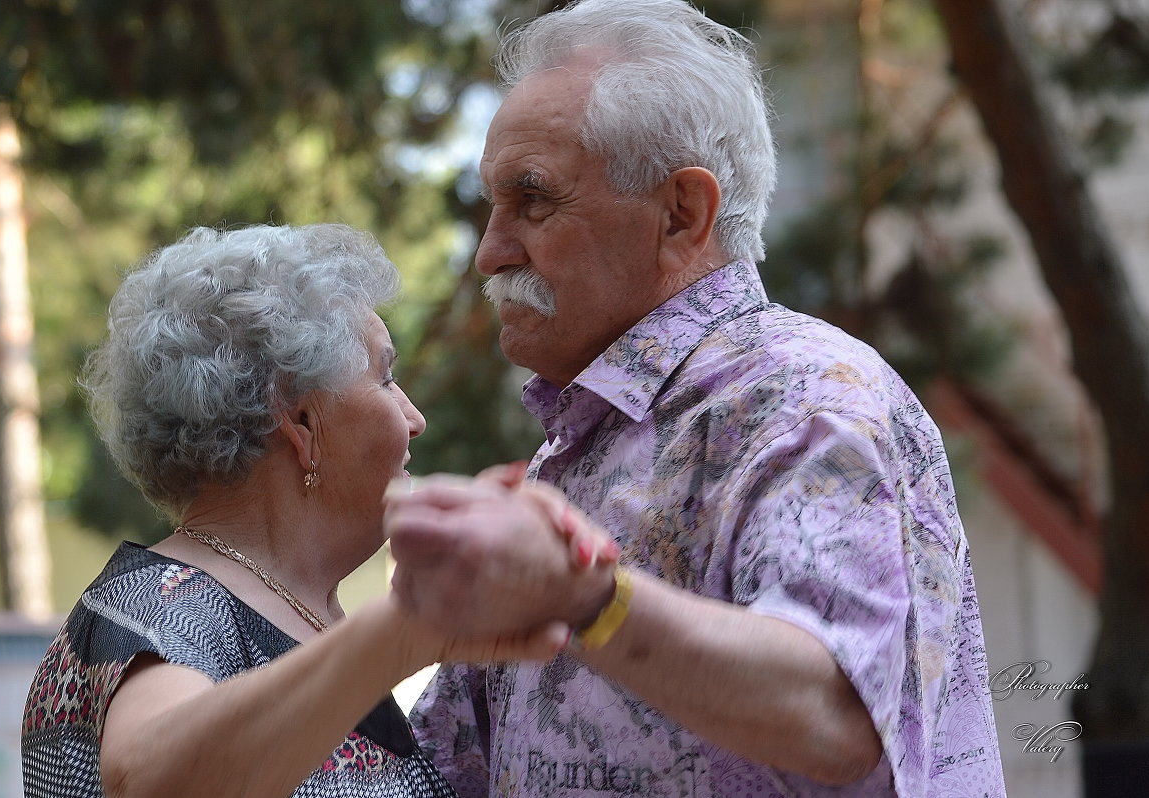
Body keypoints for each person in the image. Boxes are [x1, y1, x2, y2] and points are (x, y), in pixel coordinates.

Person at [384, 1, 1007, 796]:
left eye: (532, 199)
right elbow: (437, 772)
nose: (489, 252)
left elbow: (838, 713)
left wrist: (588, 600)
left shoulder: (805, 394)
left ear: (682, 213)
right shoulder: (580, 444)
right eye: (492, 206)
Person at [20, 223, 613, 798]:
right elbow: (149, 780)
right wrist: (409, 629)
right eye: (385, 378)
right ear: (302, 423)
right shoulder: (159, 602)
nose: (414, 418)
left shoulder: (292, 610)